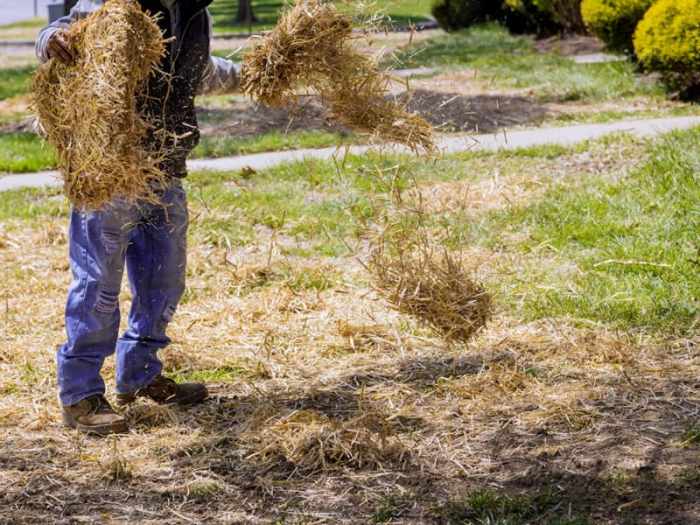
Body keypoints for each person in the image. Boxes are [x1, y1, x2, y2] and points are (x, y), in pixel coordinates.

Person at [36, 0, 239, 435]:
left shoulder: (195, 12)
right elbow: (56, 35)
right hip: (110, 170)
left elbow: (198, 71)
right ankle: (80, 393)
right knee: (99, 286)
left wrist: (256, 74)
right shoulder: (114, 4)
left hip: (164, 167)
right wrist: (52, 41)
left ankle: (141, 377)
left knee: (163, 280)